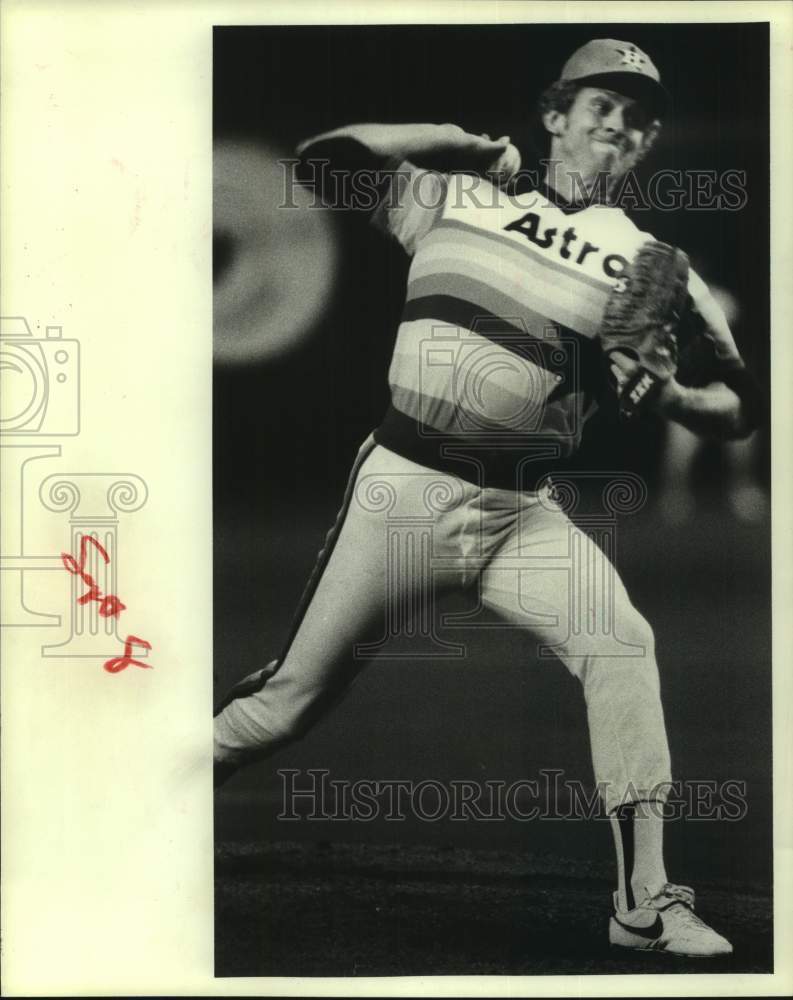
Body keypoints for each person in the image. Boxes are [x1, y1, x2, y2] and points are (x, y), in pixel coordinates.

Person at [214, 39, 761, 957]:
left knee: (621, 643)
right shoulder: (455, 195)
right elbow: (321, 162)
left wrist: (668, 396)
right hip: (405, 492)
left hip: (520, 514)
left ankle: (643, 904)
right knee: (285, 706)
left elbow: (741, 408)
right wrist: (457, 144)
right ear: (554, 114)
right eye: (598, 105)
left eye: (633, 117)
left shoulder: (653, 264)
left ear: (643, 144)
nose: (614, 124)